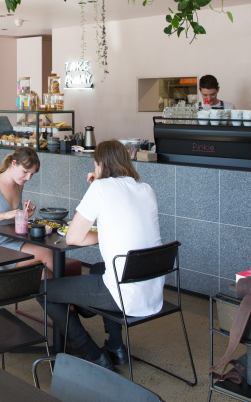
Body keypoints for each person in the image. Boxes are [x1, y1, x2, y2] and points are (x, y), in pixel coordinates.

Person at [39, 140, 162, 371]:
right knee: (97, 268)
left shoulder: (101, 188)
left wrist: (96, 185)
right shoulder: (146, 189)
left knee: (43, 290)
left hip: (123, 294)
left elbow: (73, 237)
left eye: (95, 164)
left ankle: (92, 353)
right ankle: (116, 348)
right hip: (152, 291)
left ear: (100, 164)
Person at [0, 147, 54, 275]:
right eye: (25, 172)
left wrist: (24, 214)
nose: (28, 178)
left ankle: (59, 288)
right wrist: (4, 215)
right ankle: (63, 287)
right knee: (46, 252)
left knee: (43, 272)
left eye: (32, 174)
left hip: (14, 242)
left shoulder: (19, 184)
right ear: (13, 164)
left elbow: (12, 219)